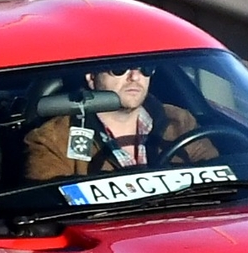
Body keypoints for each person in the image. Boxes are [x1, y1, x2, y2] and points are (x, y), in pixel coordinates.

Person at [24, 63, 217, 180]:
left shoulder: (180, 122)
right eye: (119, 69)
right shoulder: (52, 140)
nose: (135, 76)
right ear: (92, 77)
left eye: (145, 68)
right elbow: (50, 215)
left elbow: (222, 176)